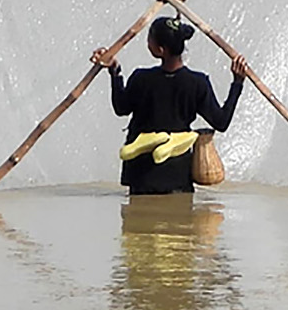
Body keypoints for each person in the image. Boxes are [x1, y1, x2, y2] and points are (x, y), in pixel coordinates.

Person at [98, 12, 245, 195]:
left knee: (139, 222)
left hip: (141, 175)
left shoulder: (141, 78)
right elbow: (221, 122)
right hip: (178, 175)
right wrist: (237, 83)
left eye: (150, 40)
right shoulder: (197, 82)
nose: (147, 43)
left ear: (161, 50)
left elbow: (121, 108)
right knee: (178, 222)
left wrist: (115, 73)